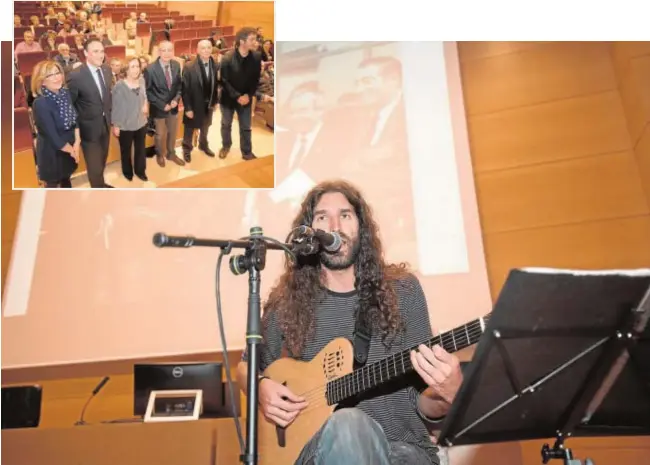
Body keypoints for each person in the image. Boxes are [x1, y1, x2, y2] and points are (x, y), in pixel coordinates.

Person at [236, 180, 464, 465]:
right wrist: (261, 388)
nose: (335, 225)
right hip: (316, 453)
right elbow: (246, 367)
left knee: (354, 425)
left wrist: (450, 393)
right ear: (310, 233)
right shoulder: (287, 302)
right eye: (322, 217)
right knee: (349, 424)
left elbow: (423, 404)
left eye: (345, 215)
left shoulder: (404, 292)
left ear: (361, 227)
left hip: (402, 452)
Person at [67, 36, 113, 187]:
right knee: (94, 167)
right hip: (88, 131)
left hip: (105, 125)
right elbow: (70, 105)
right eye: (96, 51)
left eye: (102, 51)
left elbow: (107, 97)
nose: (101, 55)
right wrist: (76, 130)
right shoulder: (76, 76)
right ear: (86, 53)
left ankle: (100, 184)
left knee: (102, 161)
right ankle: (98, 192)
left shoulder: (107, 69)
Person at [31, 60, 80, 187]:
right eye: (50, 75)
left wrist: (77, 143)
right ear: (41, 80)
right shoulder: (40, 103)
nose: (56, 77)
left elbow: (75, 120)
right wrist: (72, 151)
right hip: (52, 154)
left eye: (58, 73)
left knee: (66, 181)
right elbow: (52, 136)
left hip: (69, 148)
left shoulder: (66, 94)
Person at [218, 26, 262, 161]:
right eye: (252, 39)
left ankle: (247, 152)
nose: (256, 42)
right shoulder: (227, 58)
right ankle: (226, 146)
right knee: (226, 124)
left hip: (246, 99)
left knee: (246, 127)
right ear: (242, 42)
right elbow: (224, 81)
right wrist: (237, 96)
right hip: (228, 98)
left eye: (256, 39)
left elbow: (255, 80)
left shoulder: (256, 57)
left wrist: (248, 95)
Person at [145, 40, 184, 167]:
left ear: (173, 51)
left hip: (173, 107)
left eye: (170, 50)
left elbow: (179, 86)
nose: (167, 53)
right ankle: (160, 154)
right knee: (160, 135)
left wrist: (176, 100)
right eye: (164, 50)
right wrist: (162, 104)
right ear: (159, 51)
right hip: (158, 109)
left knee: (172, 132)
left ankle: (171, 153)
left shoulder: (177, 65)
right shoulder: (150, 69)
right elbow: (148, 91)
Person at [181, 39, 219, 162]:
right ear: (197, 50)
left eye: (208, 47)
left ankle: (203, 144)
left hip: (208, 105)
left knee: (206, 126)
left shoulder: (215, 65)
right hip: (194, 104)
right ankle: (187, 148)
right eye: (203, 48)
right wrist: (188, 108)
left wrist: (215, 101)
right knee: (189, 128)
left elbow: (215, 85)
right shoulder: (189, 66)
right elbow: (185, 90)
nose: (206, 50)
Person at [111, 57, 149, 181]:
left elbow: (145, 96)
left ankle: (140, 171)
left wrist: (145, 104)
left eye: (137, 66)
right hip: (125, 125)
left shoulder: (142, 81)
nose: (136, 69)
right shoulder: (119, 86)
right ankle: (127, 172)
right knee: (125, 151)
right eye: (132, 66)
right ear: (126, 69)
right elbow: (116, 107)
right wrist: (116, 125)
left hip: (141, 122)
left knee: (140, 149)